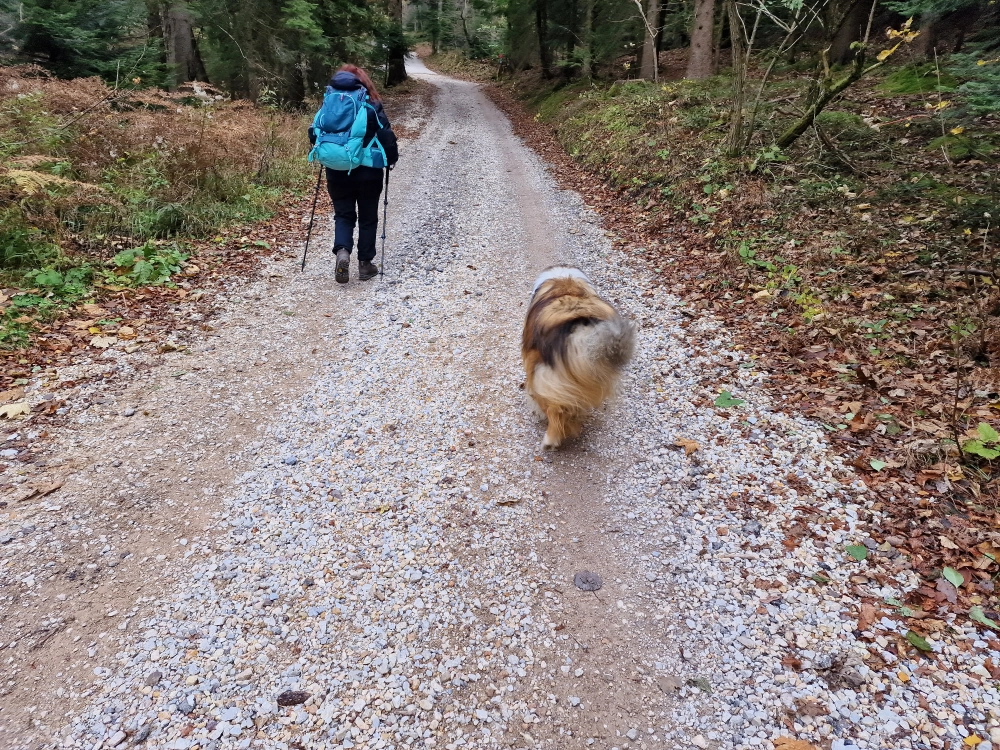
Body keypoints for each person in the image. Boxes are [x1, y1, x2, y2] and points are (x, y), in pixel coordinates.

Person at [309, 64, 398, 283]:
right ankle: (365, 265)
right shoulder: (369, 103)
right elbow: (385, 133)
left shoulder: (330, 101)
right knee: (368, 217)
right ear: (363, 81)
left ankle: (342, 252)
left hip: (337, 168)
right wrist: (391, 158)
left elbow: (314, 133)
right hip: (368, 170)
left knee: (343, 214)